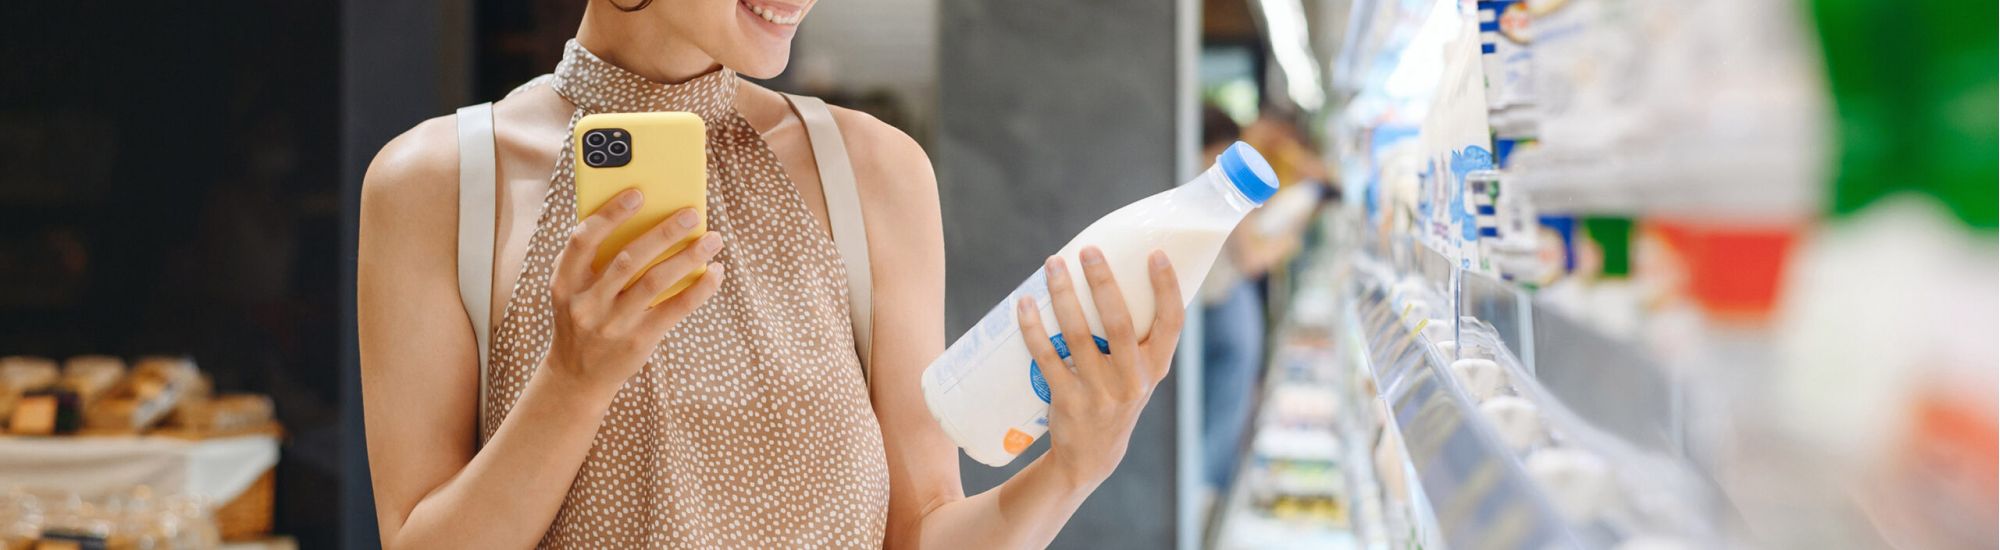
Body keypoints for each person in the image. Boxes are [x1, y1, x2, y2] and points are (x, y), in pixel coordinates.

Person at [355, 1, 1188, 548]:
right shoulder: (436, 188)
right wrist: (570, 386)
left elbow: (922, 530)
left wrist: (1073, 468)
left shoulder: (874, 174)